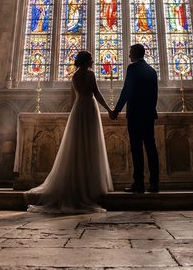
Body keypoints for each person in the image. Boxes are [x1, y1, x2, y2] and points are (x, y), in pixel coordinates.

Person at [25, 50, 114, 213]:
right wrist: (109, 109)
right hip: (89, 109)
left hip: (78, 110)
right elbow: (97, 94)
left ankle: (75, 183)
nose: (93, 61)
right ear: (87, 61)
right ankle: (88, 186)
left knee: (76, 145)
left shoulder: (74, 76)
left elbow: (73, 98)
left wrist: (74, 113)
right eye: (91, 59)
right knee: (90, 144)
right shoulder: (91, 75)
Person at [109, 43, 159, 194]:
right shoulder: (152, 71)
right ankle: (154, 184)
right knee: (151, 148)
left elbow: (127, 91)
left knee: (137, 149)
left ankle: (139, 184)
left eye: (130, 52)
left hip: (136, 115)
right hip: (148, 114)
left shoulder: (132, 68)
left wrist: (116, 110)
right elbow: (155, 94)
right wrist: (151, 110)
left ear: (136, 54)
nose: (129, 56)